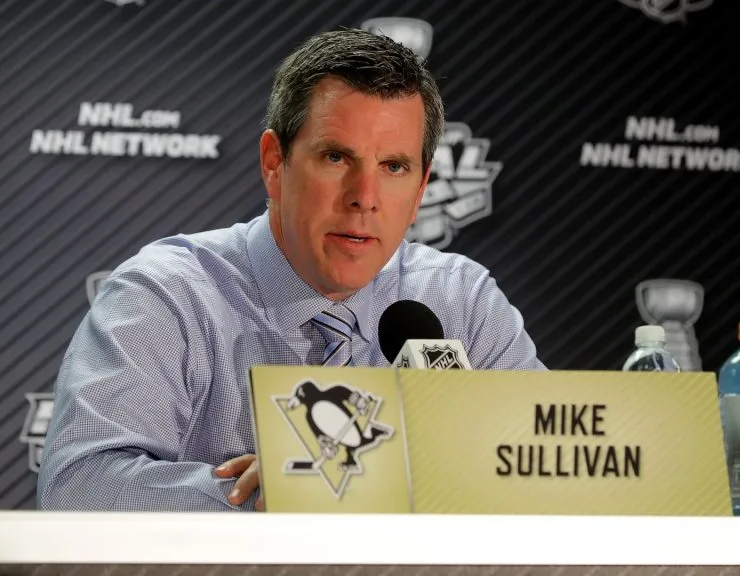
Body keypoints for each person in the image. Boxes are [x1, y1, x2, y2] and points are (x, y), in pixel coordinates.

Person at [38, 27, 546, 512]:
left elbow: (553, 474)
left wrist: (374, 482)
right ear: (274, 163)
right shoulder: (169, 295)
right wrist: (277, 496)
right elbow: (78, 489)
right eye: (335, 157)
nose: (363, 199)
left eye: (393, 167)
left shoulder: (463, 302)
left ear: (420, 189)